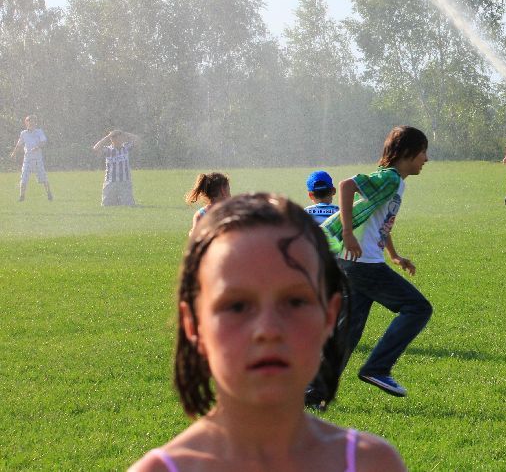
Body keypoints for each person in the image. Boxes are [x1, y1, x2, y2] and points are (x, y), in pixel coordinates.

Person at [129, 194, 405, 472]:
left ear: (329, 317)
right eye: (237, 306)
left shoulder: (373, 464)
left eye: (295, 302)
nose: (269, 330)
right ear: (194, 325)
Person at [321, 126, 432, 398]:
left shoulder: (397, 182)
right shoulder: (389, 178)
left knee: (348, 332)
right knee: (417, 308)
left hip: (356, 263)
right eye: (422, 152)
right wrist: (347, 233)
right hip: (363, 265)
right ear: (407, 152)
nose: (426, 159)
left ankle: (314, 391)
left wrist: (394, 254)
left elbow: (381, 222)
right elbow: (346, 186)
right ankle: (377, 368)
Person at [10, 115, 53, 201]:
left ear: (35, 123)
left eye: (33, 121)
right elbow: (19, 145)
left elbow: (44, 141)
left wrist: (37, 147)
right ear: (26, 123)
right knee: (24, 177)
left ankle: (49, 194)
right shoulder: (23, 133)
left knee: (43, 178)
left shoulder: (39, 132)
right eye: (29, 121)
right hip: (27, 159)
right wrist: (14, 153)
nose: (31, 123)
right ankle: (22, 197)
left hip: (37, 159)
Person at [92, 129, 139, 206]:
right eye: (114, 137)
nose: (118, 139)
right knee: (106, 205)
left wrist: (124, 133)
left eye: (119, 137)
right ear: (111, 139)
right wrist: (108, 136)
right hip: (110, 182)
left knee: (129, 205)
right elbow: (95, 148)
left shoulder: (126, 147)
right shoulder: (108, 150)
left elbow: (137, 140)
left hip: (125, 182)